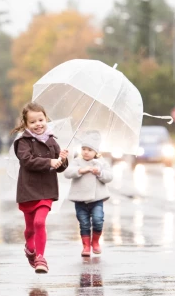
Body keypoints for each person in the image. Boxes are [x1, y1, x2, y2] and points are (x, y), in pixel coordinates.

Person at [12, 102, 68, 274]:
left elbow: (59, 168)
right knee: (30, 228)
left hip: (46, 190)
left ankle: (41, 258)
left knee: (39, 222)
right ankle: (30, 250)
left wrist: (62, 159)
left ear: (46, 119)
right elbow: (26, 161)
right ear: (26, 124)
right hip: (28, 189)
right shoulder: (23, 142)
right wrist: (49, 162)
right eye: (33, 122)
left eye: (41, 120)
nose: (38, 124)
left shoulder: (52, 141)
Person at [64, 131, 113, 257]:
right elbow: (67, 173)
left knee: (98, 220)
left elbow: (109, 176)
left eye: (89, 150)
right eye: (83, 149)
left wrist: (99, 173)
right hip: (80, 199)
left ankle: (95, 242)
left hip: (97, 199)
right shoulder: (77, 161)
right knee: (83, 222)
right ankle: (86, 246)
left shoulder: (101, 162)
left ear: (96, 152)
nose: (86, 152)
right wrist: (80, 170)